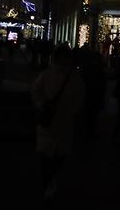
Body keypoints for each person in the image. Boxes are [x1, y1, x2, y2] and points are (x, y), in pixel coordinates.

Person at [32, 45, 85, 202]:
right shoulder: (50, 75)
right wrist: (43, 104)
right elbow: (36, 91)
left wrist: (72, 111)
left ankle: (50, 181)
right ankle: (48, 183)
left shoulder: (74, 77)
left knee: (57, 156)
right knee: (47, 157)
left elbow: (80, 98)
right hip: (53, 121)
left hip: (62, 121)